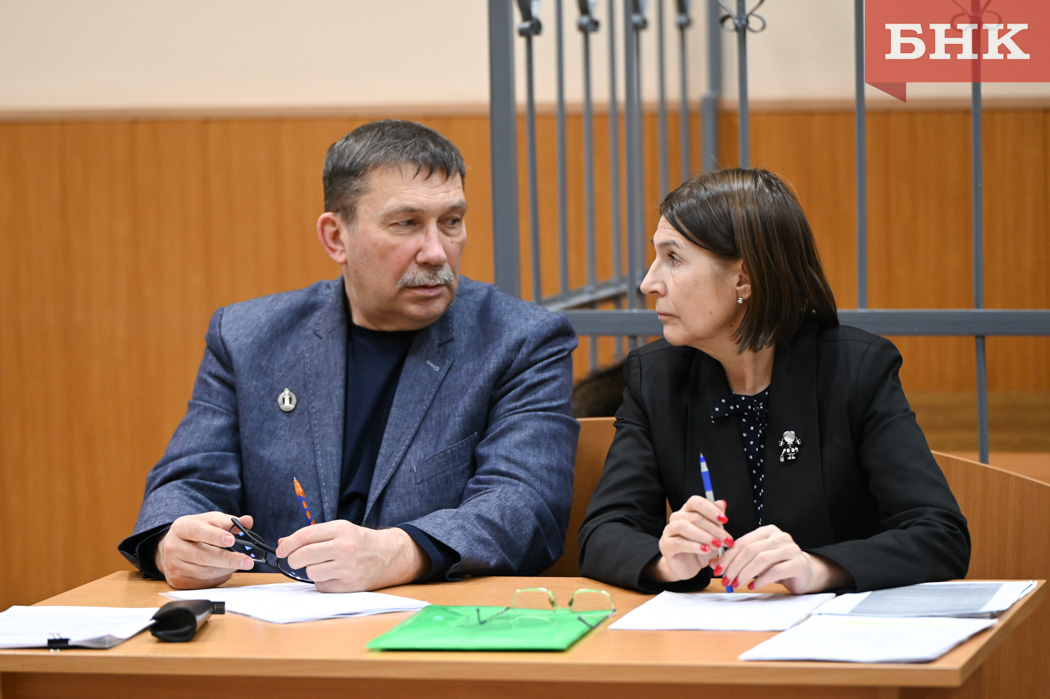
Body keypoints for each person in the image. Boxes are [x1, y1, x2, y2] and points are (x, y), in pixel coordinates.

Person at [119, 119, 579, 592]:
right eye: (407, 224)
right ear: (336, 238)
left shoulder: (519, 340)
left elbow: (526, 506)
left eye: (451, 222)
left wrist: (401, 552)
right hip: (269, 619)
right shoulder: (248, 337)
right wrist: (172, 543)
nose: (437, 252)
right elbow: (187, 483)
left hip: (434, 618)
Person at [578, 168, 969, 594]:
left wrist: (817, 569)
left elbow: (940, 534)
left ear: (743, 278)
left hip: (838, 629)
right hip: (712, 627)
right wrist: (668, 563)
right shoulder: (655, 377)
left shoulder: (855, 370)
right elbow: (603, 532)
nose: (648, 283)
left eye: (672, 259)